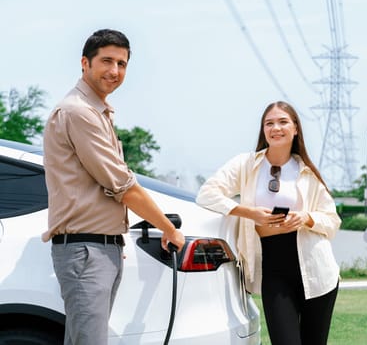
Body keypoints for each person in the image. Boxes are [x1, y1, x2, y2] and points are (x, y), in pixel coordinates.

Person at [42, 29, 185, 345]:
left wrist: (110, 240)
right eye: (107, 61)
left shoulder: (97, 112)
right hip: (85, 250)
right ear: (85, 63)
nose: (115, 71)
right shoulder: (78, 113)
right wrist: (168, 228)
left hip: (98, 247)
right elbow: (123, 185)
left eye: (122, 64)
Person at [196, 101, 341, 345]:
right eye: (269, 123)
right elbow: (207, 194)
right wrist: (250, 213)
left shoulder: (307, 172)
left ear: (295, 128)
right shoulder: (246, 164)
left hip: (316, 270)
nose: (276, 128)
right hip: (273, 270)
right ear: (263, 130)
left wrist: (306, 217)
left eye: (283, 122)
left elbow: (332, 221)